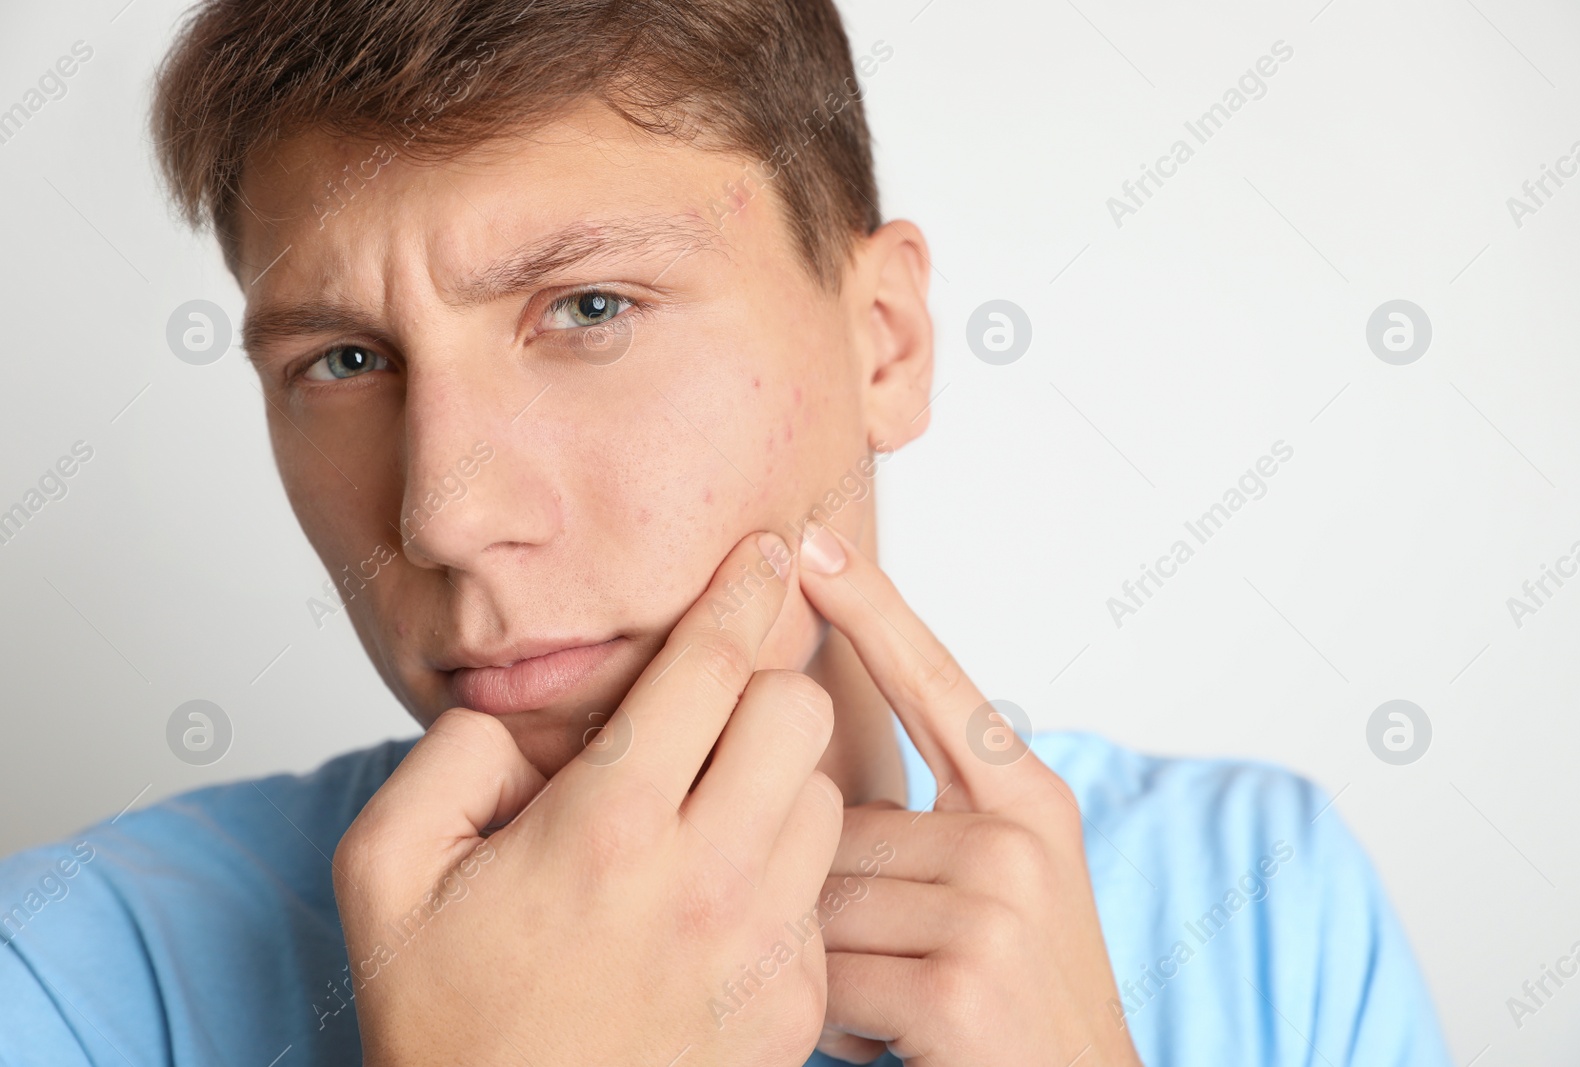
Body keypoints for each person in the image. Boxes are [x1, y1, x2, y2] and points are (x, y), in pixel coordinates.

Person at [0, 1, 1453, 1064]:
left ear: (882, 342)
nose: (443, 515)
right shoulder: (63, 977)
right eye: (344, 360)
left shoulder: (1267, 901)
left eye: (589, 309)